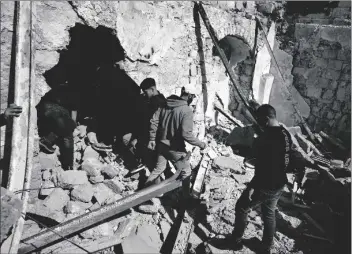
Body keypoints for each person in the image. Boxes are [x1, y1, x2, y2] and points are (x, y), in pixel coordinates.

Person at [145, 84, 207, 199]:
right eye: (193, 96)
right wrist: (201, 144)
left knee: (158, 169)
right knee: (186, 172)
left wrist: (152, 139)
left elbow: (154, 121)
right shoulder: (186, 110)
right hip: (175, 148)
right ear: (189, 96)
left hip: (161, 145)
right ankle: (185, 200)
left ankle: (143, 193)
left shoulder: (165, 103)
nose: (193, 99)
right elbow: (186, 134)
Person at [121, 78, 166, 170]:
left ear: (152, 89)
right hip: (149, 137)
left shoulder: (157, 103)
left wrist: (137, 139)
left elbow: (148, 124)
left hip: (151, 138)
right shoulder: (157, 100)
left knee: (154, 165)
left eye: (145, 92)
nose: (144, 94)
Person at [37, 84, 79, 171]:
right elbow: (74, 112)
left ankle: (47, 141)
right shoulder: (74, 93)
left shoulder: (64, 88)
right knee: (68, 134)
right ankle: (68, 166)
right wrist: (72, 125)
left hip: (45, 108)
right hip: (51, 108)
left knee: (63, 127)